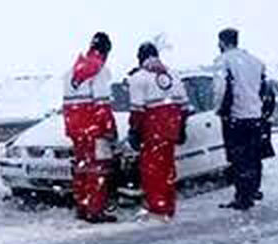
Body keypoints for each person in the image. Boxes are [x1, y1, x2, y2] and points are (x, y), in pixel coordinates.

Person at [126, 42, 189, 218]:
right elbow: (184, 106)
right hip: (171, 129)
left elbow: (137, 110)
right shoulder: (174, 75)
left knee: (152, 170)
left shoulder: (139, 78)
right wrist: (181, 128)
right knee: (168, 168)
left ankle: (157, 207)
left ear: (140, 58)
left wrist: (134, 131)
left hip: (152, 130)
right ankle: (169, 205)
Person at [62, 32, 118, 223]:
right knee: (98, 170)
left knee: (81, 168)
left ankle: (82, 207)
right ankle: (95, 210)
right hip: (94, 130)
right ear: (106, 50)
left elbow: (68, 106)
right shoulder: (100, 71)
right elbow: (102, 105)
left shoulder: (71, 72)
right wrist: (110, 129)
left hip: (76, 130)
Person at [213, 27, 270, 210]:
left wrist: (219, 110)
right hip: (255, 115)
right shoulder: (256, 62)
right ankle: (254, 190)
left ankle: (243, 197)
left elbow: (220, 89)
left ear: (222, 42)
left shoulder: (223, 61)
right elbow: (264, 89)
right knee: (254, 156)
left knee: (239, 158)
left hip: (236, 117)